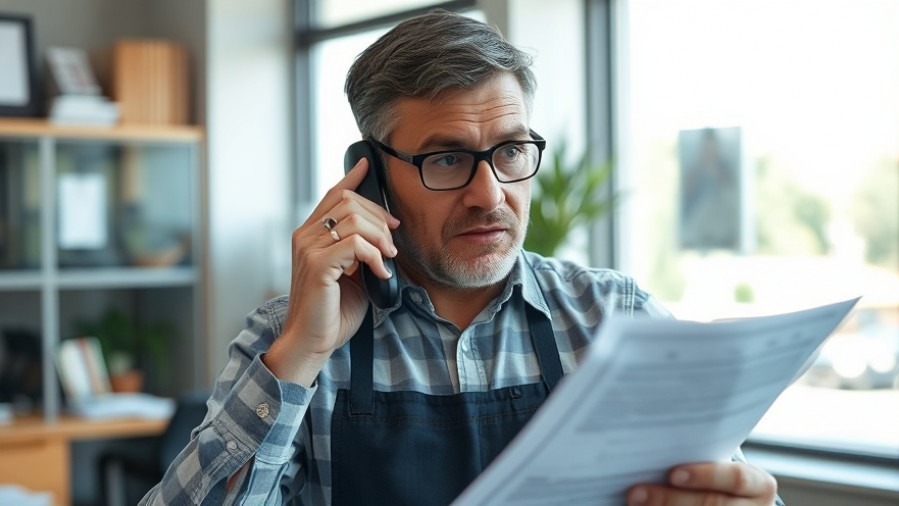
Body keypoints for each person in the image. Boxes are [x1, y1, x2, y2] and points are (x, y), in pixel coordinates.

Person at [141, 10, 782, 506]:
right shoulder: (286, 342)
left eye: (510, 151)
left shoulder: (616, 316)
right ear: (372, 177)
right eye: (446, 159)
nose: (490, 193)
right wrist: (301, 357)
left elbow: (718, 483)